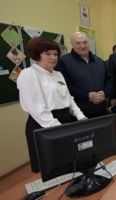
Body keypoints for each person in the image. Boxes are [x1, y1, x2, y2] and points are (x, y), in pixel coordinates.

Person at [17, 37, 86, 173]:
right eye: (48, 54)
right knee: (52, 169)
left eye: (55, 54)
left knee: (71, 163)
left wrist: (80, 117)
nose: (53, 57)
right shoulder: (28, 74)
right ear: (37, 54)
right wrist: (58, 130)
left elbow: (69, 99)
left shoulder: (58, 74)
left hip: (66, 120)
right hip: (44, 125)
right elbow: (37, 109)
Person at [55, 32, 112, 118]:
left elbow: (109, 80)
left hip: (101, 110)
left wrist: (105, 93)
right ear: (72, 44)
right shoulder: (63, 62)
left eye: (85, 42)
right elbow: (64, 86)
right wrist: (87, 96)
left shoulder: (100, 61)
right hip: (78, 114)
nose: (82, 46)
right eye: (78, 43)